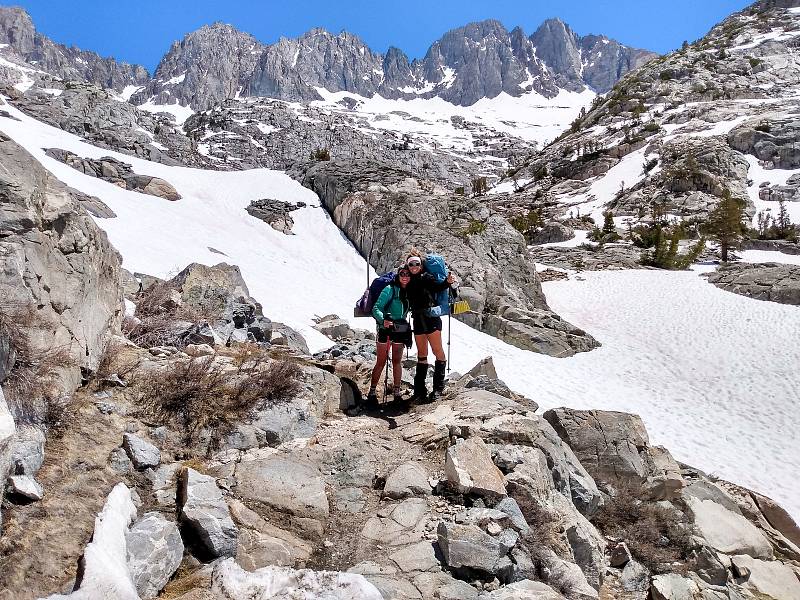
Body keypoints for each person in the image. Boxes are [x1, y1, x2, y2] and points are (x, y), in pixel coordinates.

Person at [404, 249, 456, 403]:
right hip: (418, 319)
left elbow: (438, 287)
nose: (414, 266)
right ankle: (420, 391)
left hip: (430, 318)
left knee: (437, 351)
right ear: (408, 266)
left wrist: (447, 282)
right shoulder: (407, 280)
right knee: (422, 353)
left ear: (421, 265)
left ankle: (437, 389)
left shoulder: (426, 277)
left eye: (416, 263)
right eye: (411, 264)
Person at [365, 266, 413, 406]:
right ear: (398, 276)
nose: (405, 276)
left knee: (397, 361)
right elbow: (376, 308)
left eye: (407, 274)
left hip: (399, 330)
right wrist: (383, 320)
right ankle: (372, 392)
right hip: (385, 329)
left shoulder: (408, 292)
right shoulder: (389, 289)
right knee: (381, 362)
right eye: (402, 274)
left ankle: (396, 393)